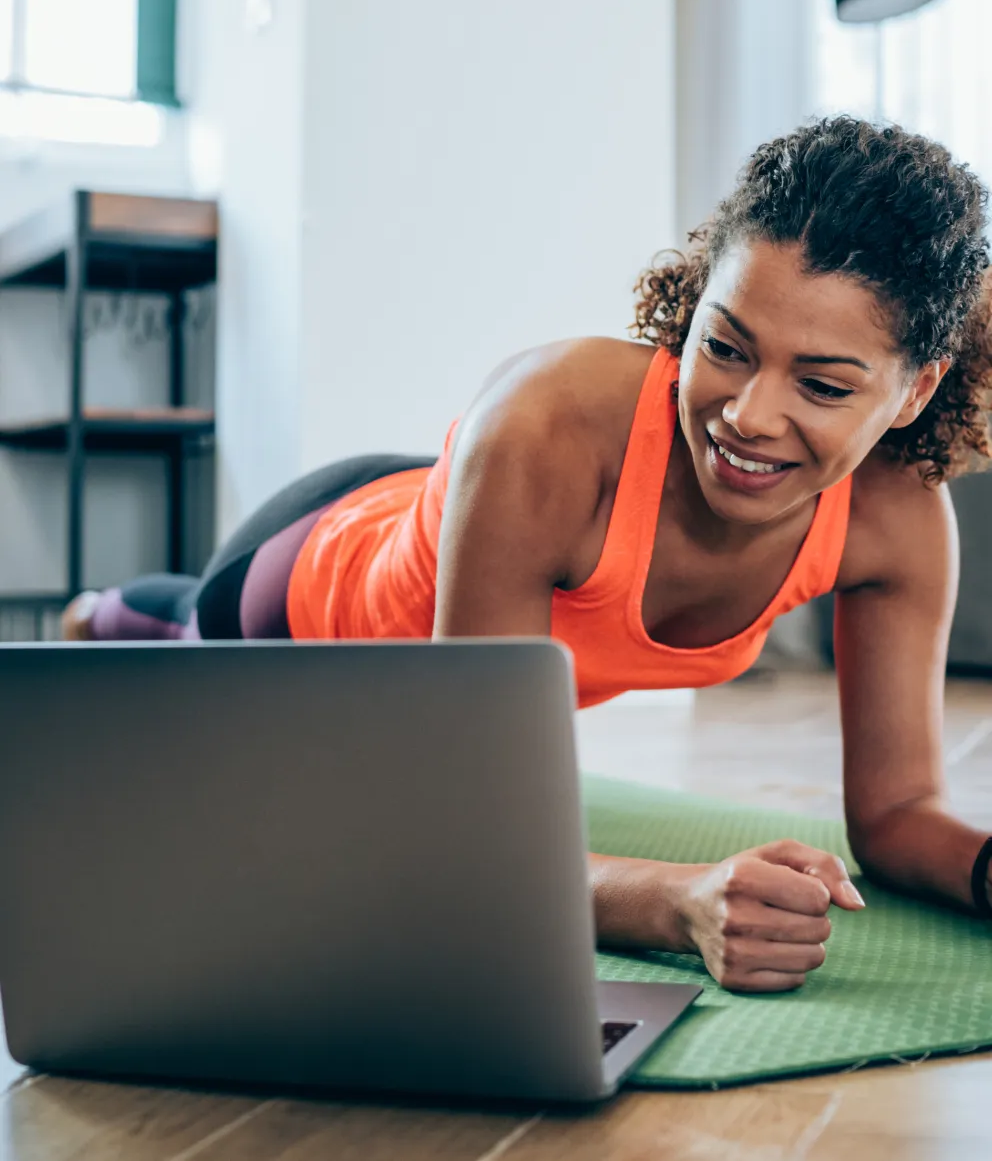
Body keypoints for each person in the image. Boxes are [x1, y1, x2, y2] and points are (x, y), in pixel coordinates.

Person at [64, 116, 992, 992]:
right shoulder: (548, 422)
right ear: (698, 299)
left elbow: (897, 810)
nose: (748, 415)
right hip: (303, 588)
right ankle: (110, 614)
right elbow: (469, 828)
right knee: (177, 656)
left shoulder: (896, 523)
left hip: (452, 529)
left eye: (824, 386)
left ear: (915, 391)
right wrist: (678, 903)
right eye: (725, 345)